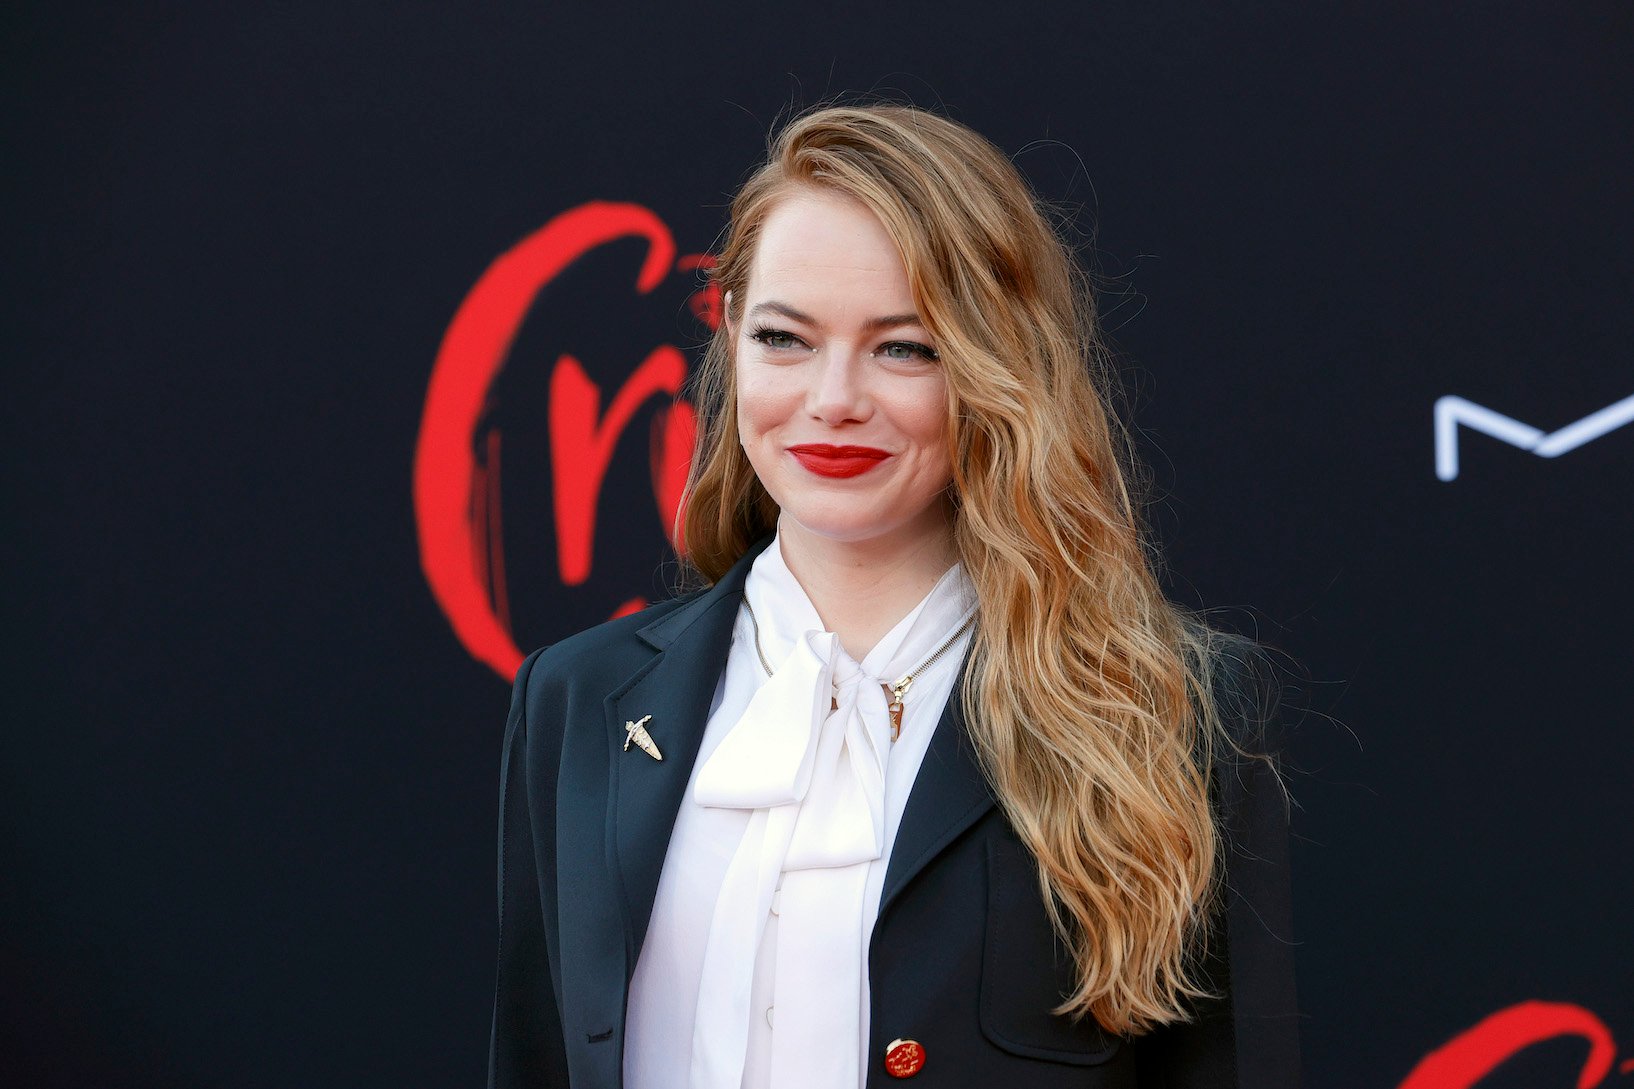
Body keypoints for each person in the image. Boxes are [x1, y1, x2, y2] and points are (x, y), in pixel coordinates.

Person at [489, 102, 1299, 1089]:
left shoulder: (1168, 714)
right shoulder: (578, 698)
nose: (834, 398)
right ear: (731, 332)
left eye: (902, 347)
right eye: (785, 338)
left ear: (996, 366)